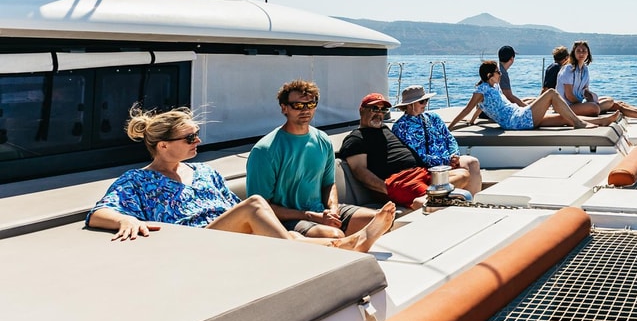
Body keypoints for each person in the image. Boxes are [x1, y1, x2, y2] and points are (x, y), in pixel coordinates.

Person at [86, 105, 394, 251]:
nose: (198, 142)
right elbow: (99, 212)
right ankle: (337, 250)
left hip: (229, 239)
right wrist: (124, 220)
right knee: (256, 204)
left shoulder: (204, 173)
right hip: (195, 243)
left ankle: (336, 248)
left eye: (197, 135)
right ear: (163, 145)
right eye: (190, 137)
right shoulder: (137, 181)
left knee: (298, 237)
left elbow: (233, 208)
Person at [247, 80, 390, 240]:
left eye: (311, 104)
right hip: (287, 221)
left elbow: (329, 184)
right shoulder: (265, 150)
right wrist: (311, 216)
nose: (306, 110)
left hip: (322, 212)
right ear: (284, 108)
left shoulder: (323, 140)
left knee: (380, 222)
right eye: (298, 106)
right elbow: (260, 209)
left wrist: (333, 209)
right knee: (334, 236)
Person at [339, 92, 449, 210]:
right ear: (362, 110)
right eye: (375, 109)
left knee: (463, 175)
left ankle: (426, 202)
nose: (379, 113)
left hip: (421, 172)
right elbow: (359, 171)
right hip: (402, 181)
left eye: (383, 110)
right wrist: (388, 189)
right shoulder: (355, 139)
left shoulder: (384, 129)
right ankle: (423, 204)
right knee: (437, 199)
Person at [449, 60, 620, 130]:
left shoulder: (493, 87)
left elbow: (478, 110)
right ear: (488, 75)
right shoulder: (481, 91)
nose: (500, 74)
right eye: (497, 72)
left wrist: (472, 122)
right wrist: (451, 127)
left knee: (562, 118)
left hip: (518, 116)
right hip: (516, 120)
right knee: (551, 93)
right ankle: (579, 123)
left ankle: (601, 121)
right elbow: (468, 109)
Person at [390, 85, 482, 194]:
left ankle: (471, 203)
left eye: (426, 100)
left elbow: (449, 138)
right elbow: (416, 156)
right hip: (427, 168)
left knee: (472, 162)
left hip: (448, 161)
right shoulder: (401, 127)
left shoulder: (433, 117)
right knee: (462, 171)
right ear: (410, 105)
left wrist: (454, 156)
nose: (425, 104)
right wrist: (446, 160)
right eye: (422, 101)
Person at [557, 40, 637, 122]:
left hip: (579, 103)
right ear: (574, 53)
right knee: (595, 108)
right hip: (567, 106)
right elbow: (570, 96)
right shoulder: (568, 69)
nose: (581, 53)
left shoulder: (585, 70)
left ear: (588, 54)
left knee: (614, 103)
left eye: (584, 51)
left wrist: (590, 97)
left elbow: (585, 91)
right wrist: (588, 104)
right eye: (578, 51)